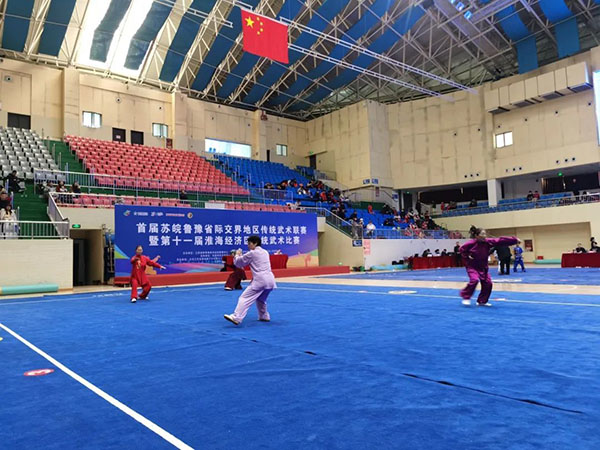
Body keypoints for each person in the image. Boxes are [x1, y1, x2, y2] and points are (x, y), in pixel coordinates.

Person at [459, 226, 519, 306]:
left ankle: (482, 301)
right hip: (472, 267)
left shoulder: (488, 242)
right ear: (477, 236)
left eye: (485, 234)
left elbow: (499, 240)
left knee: (488, 283)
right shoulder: (471, 243)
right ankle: (466, 296)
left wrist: (514, 240)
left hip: (483, 267)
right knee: (474, 280)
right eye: (482, 234)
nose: (485, 236)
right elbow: (461, 250)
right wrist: (467, 255)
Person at [224, 236, 276, 325]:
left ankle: (236, 317)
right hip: (270, 280)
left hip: (260, 280)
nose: (248, 246)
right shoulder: (265, 252)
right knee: (261, 299)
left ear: (255, 243)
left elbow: (239, 263)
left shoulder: (252, 253)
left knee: (244, 298)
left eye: (249, 243)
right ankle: (264, 316)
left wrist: (237, 255)